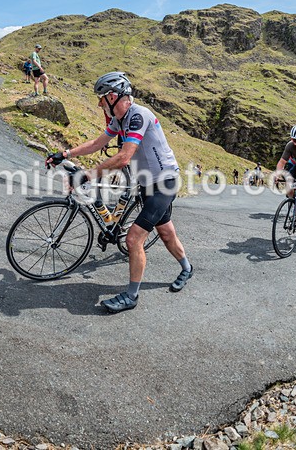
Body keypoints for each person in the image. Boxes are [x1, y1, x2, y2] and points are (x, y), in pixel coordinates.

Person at [45, 72, 193, 314]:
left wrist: (87, 175)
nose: (100, 104)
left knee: (133, 239)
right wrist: (66, 154)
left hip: (164, 182)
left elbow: (124, 158)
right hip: (146, 183)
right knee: (166, 232)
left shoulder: (137, 116)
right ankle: (187, 267)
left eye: (102, 99)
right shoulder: (120, 120)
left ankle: (131, 296)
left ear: (113, 97)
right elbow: (97, 144)